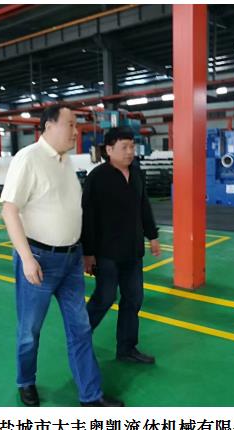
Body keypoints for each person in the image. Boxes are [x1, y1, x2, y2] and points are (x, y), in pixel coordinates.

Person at [0, 104, 123, 407]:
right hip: (39, 260)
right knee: (30, 330)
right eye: (70, 124)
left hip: (71, 260)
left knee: (80, 328)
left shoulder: (65, 162)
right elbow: (9, 210)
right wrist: (27, 258)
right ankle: (25, 381)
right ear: (49, 126)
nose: (75, 131)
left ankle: (90, 396)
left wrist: (83, 251)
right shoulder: (28, 158)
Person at [81, 127, 160, 364]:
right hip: (107, 253)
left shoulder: (136, 173)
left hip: (132, 252)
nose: (129, 152)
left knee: (133, 299)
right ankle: (79, 339)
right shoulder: (97, 177)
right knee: (104, 298)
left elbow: (143, 206)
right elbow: (87, 216)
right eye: (124, 147)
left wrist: (152, 236)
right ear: (109, 149)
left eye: (132, 147)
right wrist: (88, 253)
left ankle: (126, 348)